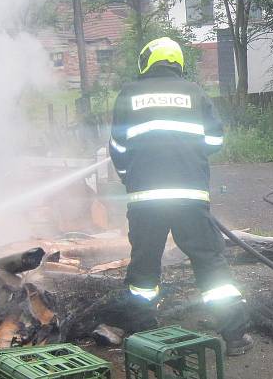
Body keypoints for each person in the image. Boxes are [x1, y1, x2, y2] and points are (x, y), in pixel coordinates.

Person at [109, 37, 254, 355]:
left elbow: (118, 149)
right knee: (210, 262)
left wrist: (128, 180)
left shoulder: (128, 95)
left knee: (144, 268)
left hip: (145, 200)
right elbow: (215, 140)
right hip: (189, 197)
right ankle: (234, 336)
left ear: (148, 60)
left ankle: (142, 334)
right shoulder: (195, 93)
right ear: (176, 61)